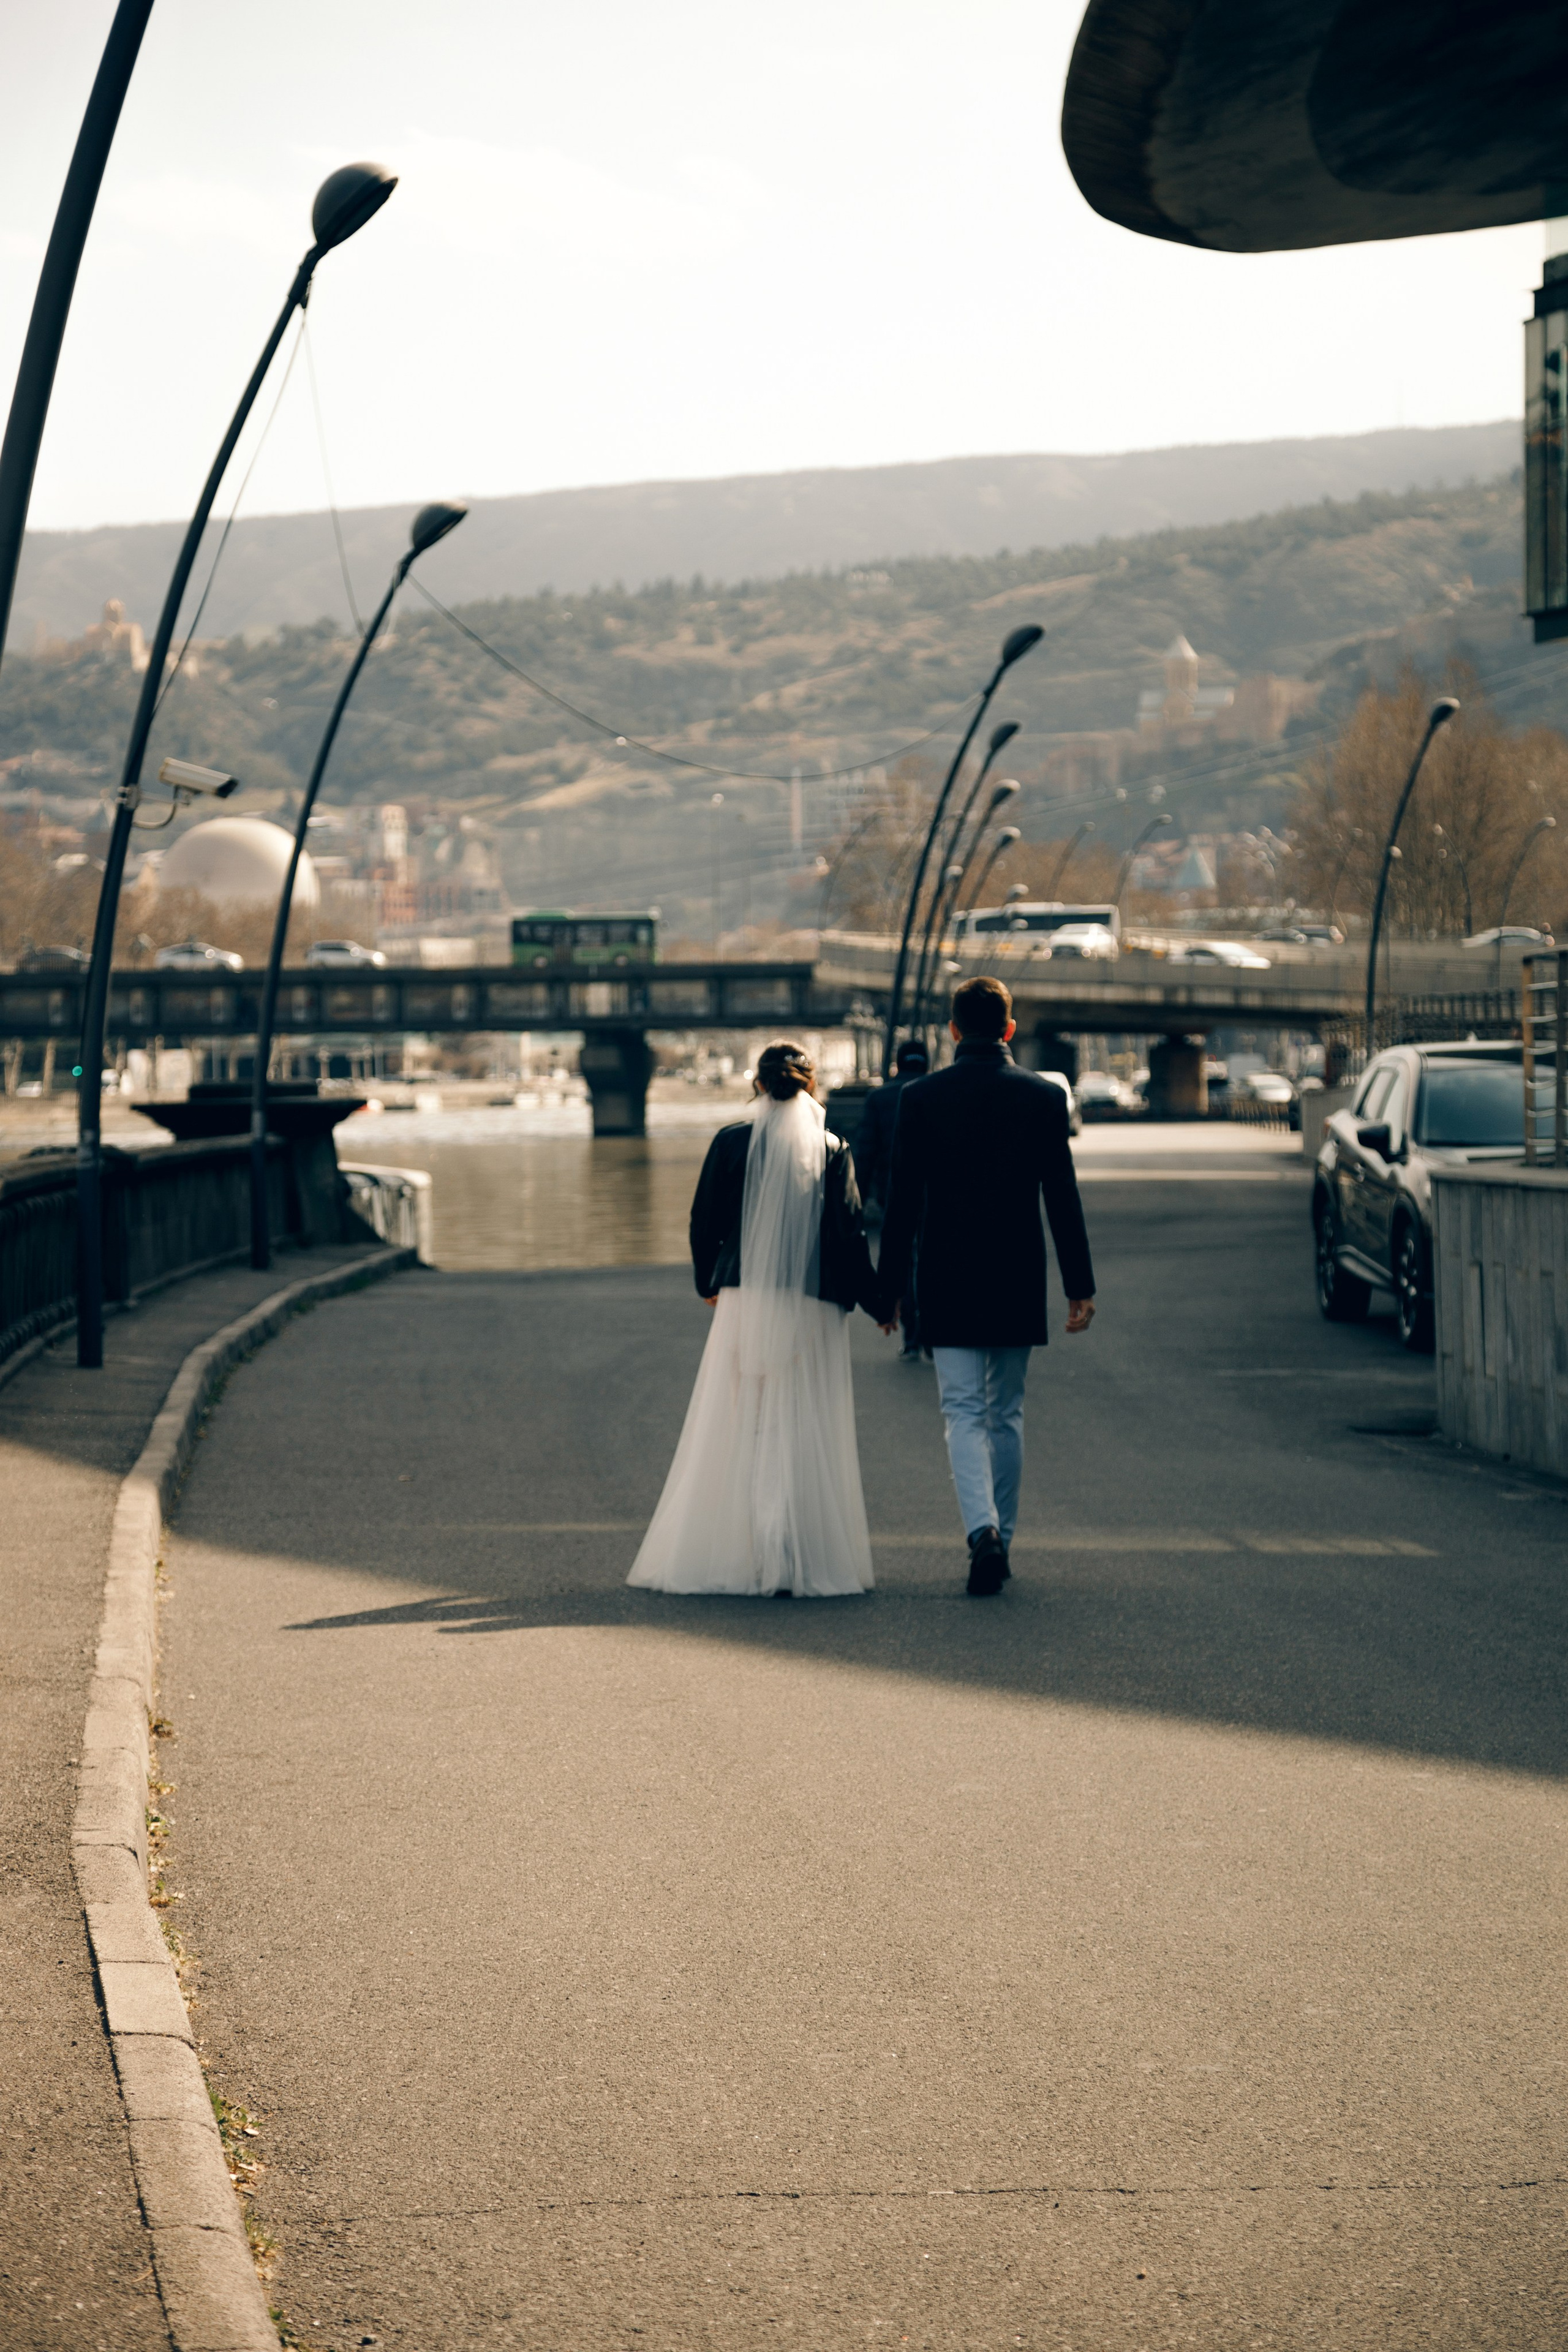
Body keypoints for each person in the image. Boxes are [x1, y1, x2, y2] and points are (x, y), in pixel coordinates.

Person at [628, 1040, 888, 1599]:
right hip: (812, 1303)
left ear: (758, 1085)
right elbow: (848, 1235)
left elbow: (705, 1220)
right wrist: (878, 1303)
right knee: (801, 1421)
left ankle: (745, 1550)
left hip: (744, 1296)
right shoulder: (832, 1147)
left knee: (744, 1420)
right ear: (810, 1086)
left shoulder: (730, 1142)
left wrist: (709, 1283)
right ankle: (793, 1552)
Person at [877, 974, 1096, 1597]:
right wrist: (1078, 1284)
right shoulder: (1041, 1097)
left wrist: (888, 1290)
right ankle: (1004, 1532)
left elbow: (901, 1205)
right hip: (1016, 1273)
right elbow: (1062, 1196)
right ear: (1009, 1029)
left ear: (952, 1031)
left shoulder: (919, 1099)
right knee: (1007, 1411)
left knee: (962, 1411)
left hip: (946, 1273)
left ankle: (983, 1534)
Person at [856, 1039, 930, 1360]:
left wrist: (856, 1198)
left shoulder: (879, 1098)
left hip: (893, 1192)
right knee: (930, 1259)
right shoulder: (937, 1091)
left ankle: (911, 1333)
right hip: (936, 1194)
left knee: (904, 1260)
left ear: (897, 1064)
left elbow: (866, 1151)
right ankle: (931, 1333)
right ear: (926, 1064)